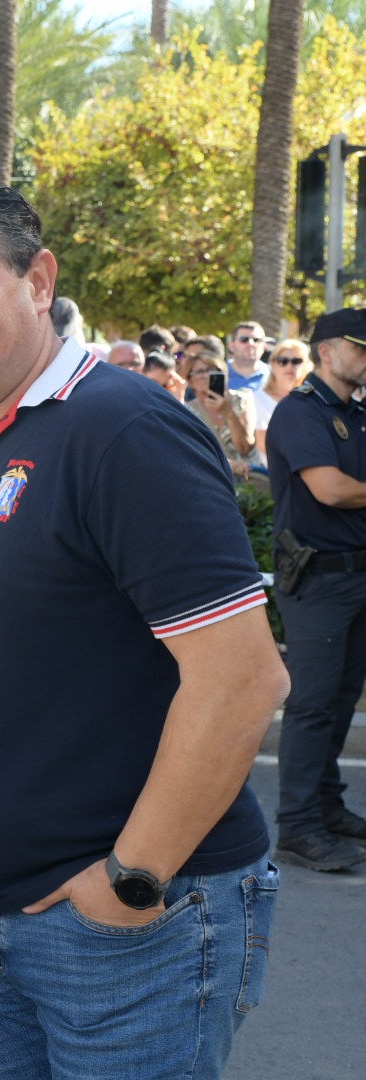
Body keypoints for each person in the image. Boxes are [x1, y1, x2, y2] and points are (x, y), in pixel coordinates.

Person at [0, 177, 285, 1079]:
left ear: (36, 279)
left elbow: (244, 678)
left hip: (120, 931)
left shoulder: (120, 429)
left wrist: (131, 882)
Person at [265, 307, 366, 872]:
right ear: (329, 350)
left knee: (338, 702)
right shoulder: (300, 414)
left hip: (356, 576)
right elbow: (329, 489)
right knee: (310, 706)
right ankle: (298, 827)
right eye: (363, 347)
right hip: (320, 580)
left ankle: (327, 807)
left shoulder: (358, 413)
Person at [184, 349, 262, 480]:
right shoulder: (187, 412)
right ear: (190, 380)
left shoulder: (242, 398)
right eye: (200, 371)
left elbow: (245, 447)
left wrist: (229, 412)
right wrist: (227, 464)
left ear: (224, 374)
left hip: (251, 479)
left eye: (213, 369)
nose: (207, 375)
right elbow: (194, 455)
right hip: (215, 480)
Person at [252, 338, 311, 458]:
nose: (289, 366)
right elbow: (263, 444)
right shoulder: (257, 398)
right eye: (282, 361)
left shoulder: (312, 398)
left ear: (306, 365)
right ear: (272, 364)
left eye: (296, 361)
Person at [227, 320, 270, 392]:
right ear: (231, 346)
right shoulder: (219, 373)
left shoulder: (274, 376)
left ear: (264, 347)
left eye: (256, 340)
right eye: (244, 339)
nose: (250, 343)